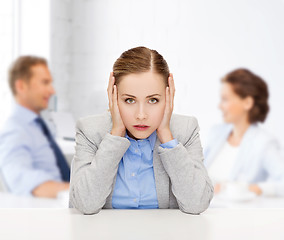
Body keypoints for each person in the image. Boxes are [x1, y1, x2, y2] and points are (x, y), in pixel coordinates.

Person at [69, 46, 213, 214]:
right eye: (129, 100)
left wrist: (167, 137)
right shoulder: (91, 131)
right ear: (113, 97)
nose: (141, 115)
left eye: (153, 100)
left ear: (169, 97)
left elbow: (197, 203)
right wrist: (116, 134)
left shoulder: (185, 130)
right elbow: (85, 204)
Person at [204, 68, 284, 197]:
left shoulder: (263, 143)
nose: (220, 106)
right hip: (202, 211)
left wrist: (252, 188)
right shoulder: (216, 134)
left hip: (235, 214)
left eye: (225, 99)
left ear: (247, 102)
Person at [0, 56, 70, 198]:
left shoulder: (38, 126)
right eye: (45, 83)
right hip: (49, 210)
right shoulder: (15, 130)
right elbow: (23, 180)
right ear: (21, 86)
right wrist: (78, 192)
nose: (52, 91)